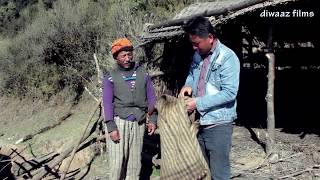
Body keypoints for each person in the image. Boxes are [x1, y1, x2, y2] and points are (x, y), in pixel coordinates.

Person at [179, 16, 240, 180]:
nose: (194, 47)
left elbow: (229, 93)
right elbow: (192, 74)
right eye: (192, 43)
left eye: (197, 43)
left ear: (210, 38)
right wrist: (188, 85)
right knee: (203, 172)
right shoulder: (198, 54)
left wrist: (197, 103)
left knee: (219, 174)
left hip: (219, 124)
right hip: (200, 122)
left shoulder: (227, 57)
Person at [103, 38, 157, 180]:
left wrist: (152, 119)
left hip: (138, 122)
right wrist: (111, 126)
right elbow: (107, 103)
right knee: (117, 163)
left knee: (134, 164)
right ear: (116, 58)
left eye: (129, 54)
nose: (127, 58)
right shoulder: (110, 77)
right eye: (123, 56)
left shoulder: (143, 73)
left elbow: (151, 98)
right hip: (119, 122)